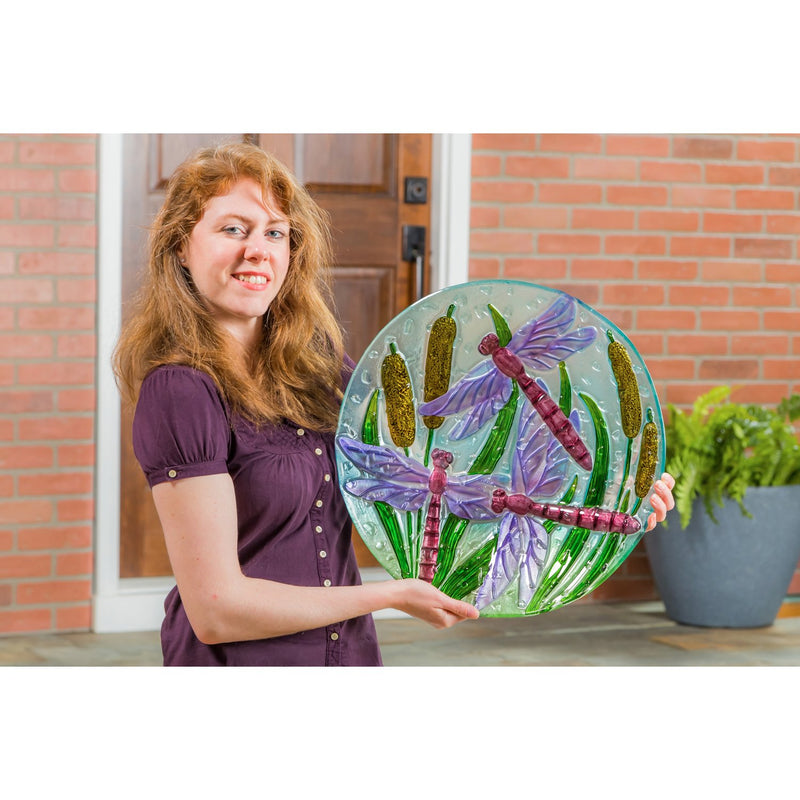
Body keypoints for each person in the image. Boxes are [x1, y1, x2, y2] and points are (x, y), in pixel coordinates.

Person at [114, 141, 675, 667]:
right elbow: (217, 611)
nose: (257, 250)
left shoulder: (315, 370)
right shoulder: (182, 390)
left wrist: (614, 488)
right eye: (232, 228)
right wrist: (391, 594)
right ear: (181, 248)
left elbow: (459, 451)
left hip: (347, 656)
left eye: (277, 233)